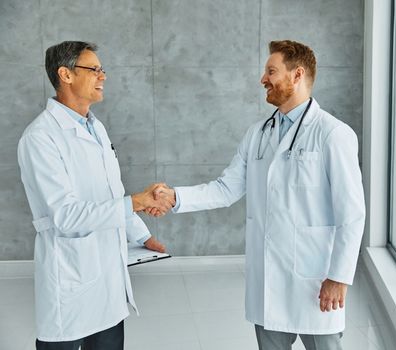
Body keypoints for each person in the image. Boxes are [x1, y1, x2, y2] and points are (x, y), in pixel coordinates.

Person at [152, 40, 365, 349]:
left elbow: (352, 213)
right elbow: (226, 188)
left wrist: (339, 276)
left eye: (271, 71)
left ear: (296, 75)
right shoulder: (258, 133)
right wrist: (174, 197)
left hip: (315, 280)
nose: (263, 79)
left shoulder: (333, 134)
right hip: (269, 281)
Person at [17, 41, 174, 350]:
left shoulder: (95, 128)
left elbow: (109, 191)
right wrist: (138, 202)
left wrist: (140, 234)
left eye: (102, 69)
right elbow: (65, 216)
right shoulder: (40, 138)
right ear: (66, 74)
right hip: (71, 278)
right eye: (94, 69)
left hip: (108, 282)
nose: (103, 76)